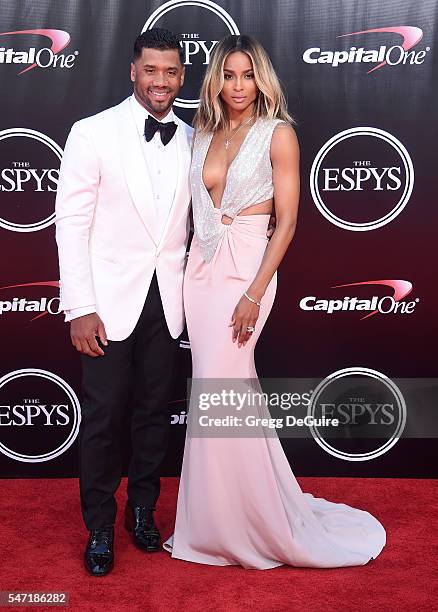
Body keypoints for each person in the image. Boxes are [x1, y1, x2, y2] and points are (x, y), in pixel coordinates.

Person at [164, 34, 386, 569]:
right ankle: (216, 520)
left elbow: (285, 224)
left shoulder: (278, 134)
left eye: (247, 75)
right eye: (229, 75)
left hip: (247, 277)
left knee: (222, 393)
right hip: (200, 274)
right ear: (215, 80)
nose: (238, 86)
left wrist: (254, 293)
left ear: (261, 79)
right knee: (217, 397)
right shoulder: (203, 131)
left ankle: (243, 525)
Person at [55, 28, 193, 576]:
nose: (161, 81)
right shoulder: (92, 133)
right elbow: (71, 224)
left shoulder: (190, 137)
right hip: (106, 303)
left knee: (154, 414)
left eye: (171, 71)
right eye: (151, 70)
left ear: (183, 76)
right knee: (105, 417)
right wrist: (79, 306)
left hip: (170, 300)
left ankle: (142, 512)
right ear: (132, 71)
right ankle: (99, 527)